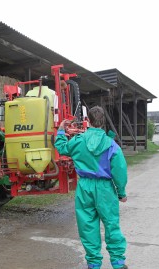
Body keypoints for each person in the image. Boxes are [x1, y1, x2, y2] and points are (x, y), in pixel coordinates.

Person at [54, 106, 128, 269]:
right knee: (111, 224)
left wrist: (60, 130)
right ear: (103, 122)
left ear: (88, 121)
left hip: (85, 187)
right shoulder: (111, 144)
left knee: (87, 225)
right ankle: (118, 262)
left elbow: (62, 148)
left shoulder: (78, 141)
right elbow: (120, 170)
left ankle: (94, 264)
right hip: (105, 189)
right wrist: (121, 192)